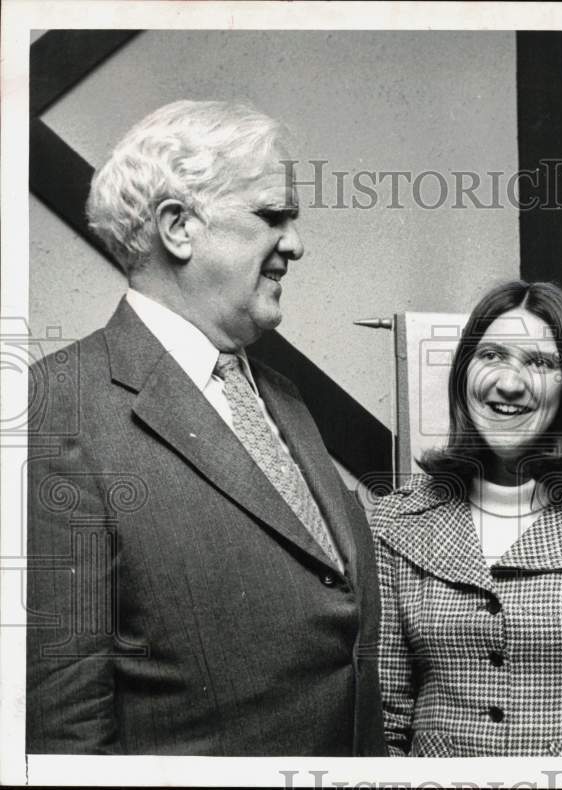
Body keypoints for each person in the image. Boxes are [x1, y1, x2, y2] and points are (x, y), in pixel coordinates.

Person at [26, 100, 385, 756]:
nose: (295, 244)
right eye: (273, 216)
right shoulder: (56, 405)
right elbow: (62, 727)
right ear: (179, 227)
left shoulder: (282, 398)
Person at [371, 281, 562, 757]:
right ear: (463, 372)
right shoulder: (398, 519)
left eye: (540, 362)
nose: (510, 383)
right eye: (492, 355)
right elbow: (382, 727)